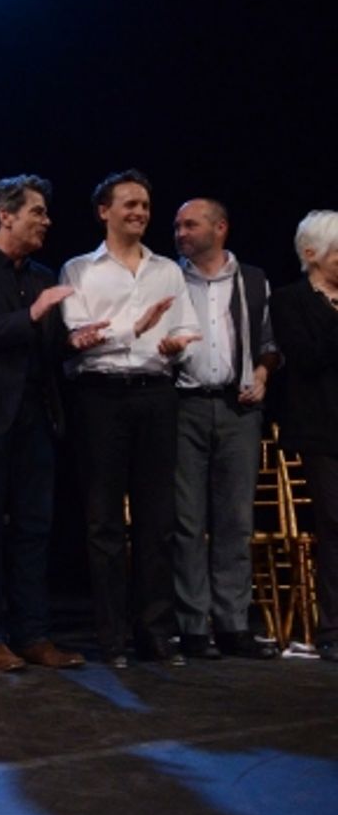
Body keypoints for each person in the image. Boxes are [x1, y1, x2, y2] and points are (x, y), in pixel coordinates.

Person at [60, 169, 200, 668]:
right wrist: (134, 328)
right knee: (103, 522)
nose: (140, 212)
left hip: (156, 393)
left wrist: (176, 344)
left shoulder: (167, 271)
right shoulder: (79, 270)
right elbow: (80, 335)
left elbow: (188, 327)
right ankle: (112, 636)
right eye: (130, 204)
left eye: (144, 205)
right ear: (105, 212)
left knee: (157, 519)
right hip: (100, 397)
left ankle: (156, 632)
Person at [0, 175, 84, 672]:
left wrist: (74, 342)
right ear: (5, 216)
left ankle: (34, 634)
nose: (46, 221)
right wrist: (31, 314)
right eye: (37, 212)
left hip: (38, 416)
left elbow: (46, 346)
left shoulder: (43, 276)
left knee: (35, 529)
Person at [171, 198, 280, 660]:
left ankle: (233, 623)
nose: (181, 233)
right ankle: (193, 626)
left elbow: (269, 341)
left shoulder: (252, 279)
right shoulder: (170, 277)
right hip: (185, 406)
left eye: (190, 225)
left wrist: (263, 373)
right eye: (178, 226)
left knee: (235, 519)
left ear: (220, 229)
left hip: (238, 409)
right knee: (187, 520)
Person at [270, 210, 338, 665]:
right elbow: (308, 358)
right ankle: (332, 628)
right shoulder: (289, 301)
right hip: (320, 430)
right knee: (334, 524)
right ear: (312, 254)